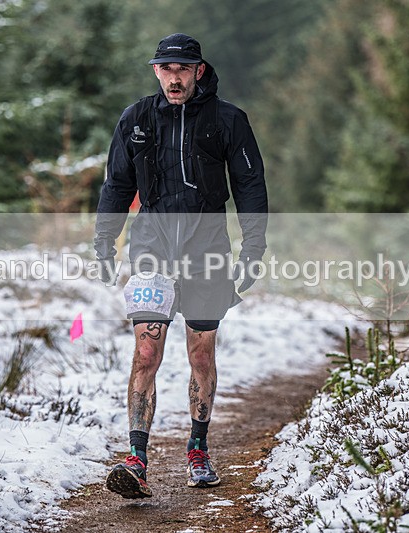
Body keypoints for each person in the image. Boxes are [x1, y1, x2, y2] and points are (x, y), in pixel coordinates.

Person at [93, 33, 268, 498]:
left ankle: (198, 449)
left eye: (183, 69)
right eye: (166, 69)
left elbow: (250, 185)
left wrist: (253, 249)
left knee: (200, 354)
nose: (174, 78)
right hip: (151, 248)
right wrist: (104, 239)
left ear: (198, 71)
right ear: (156, 71)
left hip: (207, 250)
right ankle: (136, 459)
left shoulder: (228, 120)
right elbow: (116, 184)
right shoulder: (136, 119)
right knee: (146, 352)